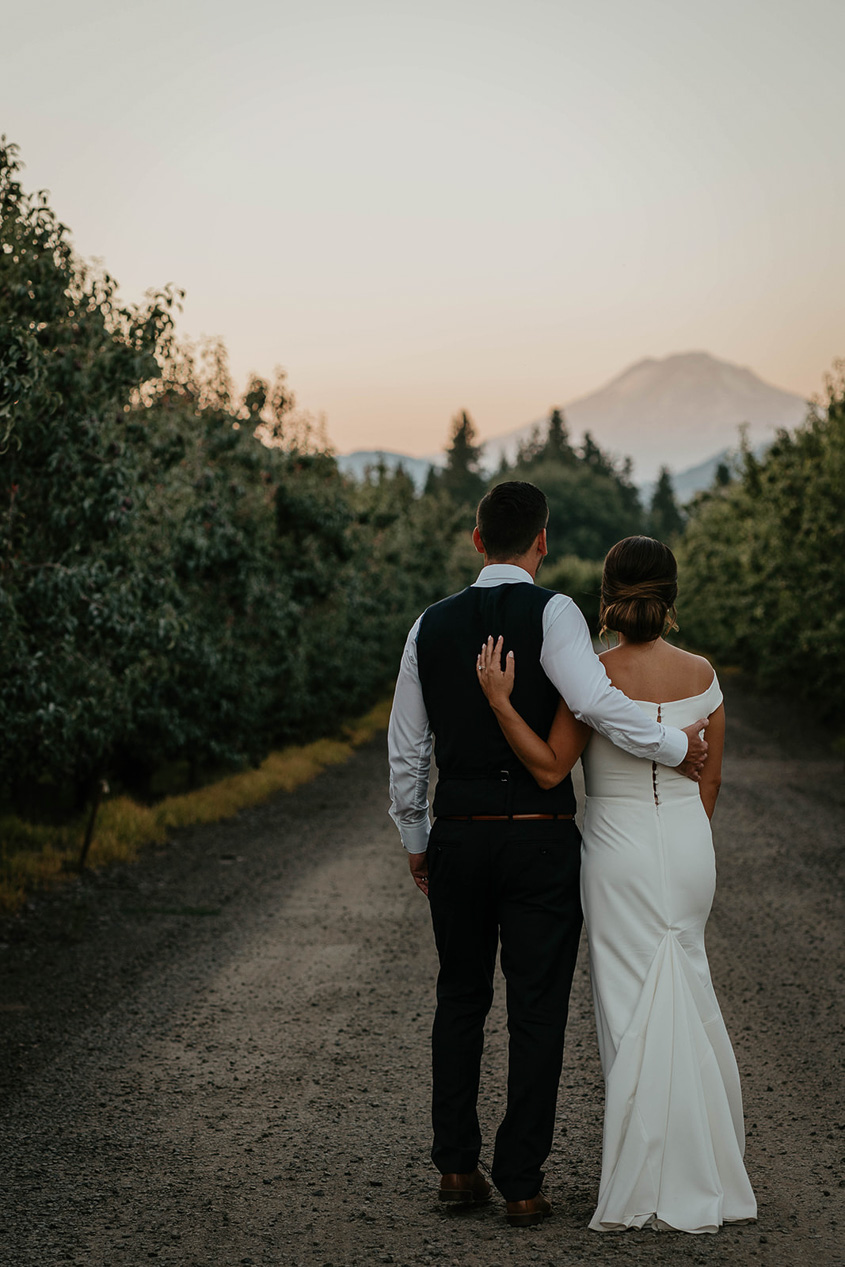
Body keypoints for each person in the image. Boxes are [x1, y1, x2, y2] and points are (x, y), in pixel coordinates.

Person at [387, 484, 709, 1226]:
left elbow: (407, 749)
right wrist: (670, 744)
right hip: (537, 833)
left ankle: (456, 1168)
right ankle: (522, 1180)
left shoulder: (427, 626)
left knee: (460, 997)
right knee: (536, 1008)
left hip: (459, 831)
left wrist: (414, 839)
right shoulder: (555, 612)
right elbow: (593, 703)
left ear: (476, 540)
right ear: (540, 540)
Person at [476, 534, 757, 1233]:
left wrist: (502, 703)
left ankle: (643, 1175)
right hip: (688, 847)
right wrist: (683, 839)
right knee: (688, 991)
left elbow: (547, 769)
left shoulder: (593, 682)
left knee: (630, 1014)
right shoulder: (704, 675)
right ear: (670, 595)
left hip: (615, 854)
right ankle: (712, 1175)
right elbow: (710, 778)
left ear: (606, 599)